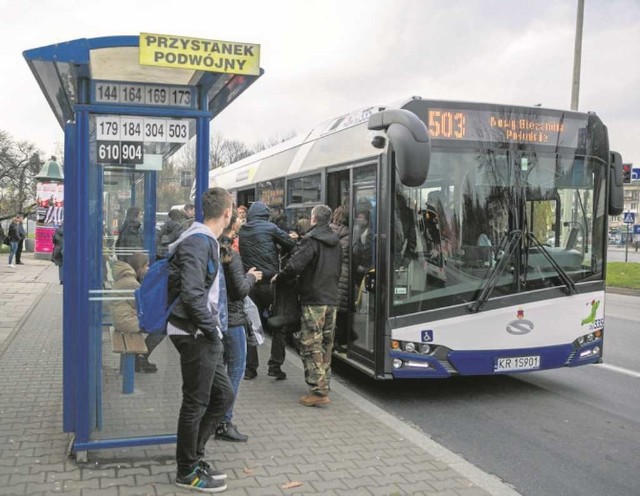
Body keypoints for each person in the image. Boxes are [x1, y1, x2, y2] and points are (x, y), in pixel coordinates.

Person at [166, 187, 234, 493]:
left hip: (200, 333)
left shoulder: (205, 241)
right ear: (227, 213)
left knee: (223, 396)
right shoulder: (197, 242)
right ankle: (186, 471)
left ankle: (195, 458)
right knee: (195, 402)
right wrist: (212, 331)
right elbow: (193, 295)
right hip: (194, 334)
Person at [271, 205, 341, 407]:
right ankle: (324, 383)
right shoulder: (335, 241)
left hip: (314, 299)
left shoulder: (311, 240)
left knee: (310, 344)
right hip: (331, 299)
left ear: (313, 218)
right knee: (326, 344)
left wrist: (281, 276)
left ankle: (318, 392)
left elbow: (294, 265)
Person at [215, 210, 262, 442]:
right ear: (232, 226)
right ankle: (224, 421)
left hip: (217, 321)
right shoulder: (231, 255)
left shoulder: (211, 248)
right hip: (233, 321)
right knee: (234, 371)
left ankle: (216, 418)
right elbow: (239, 290)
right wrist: (252, 277)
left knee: (221, 371)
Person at [238, 201, 297, 380]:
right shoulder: (271, 228)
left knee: (250, 325)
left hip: (250, 283)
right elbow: (290, 244)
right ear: (265, 215)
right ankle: (275, 366)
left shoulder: (243, 229)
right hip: (270, 284)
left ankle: (250, 369)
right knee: (278, 324)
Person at [110, 253, 164, 373]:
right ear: (139, 267)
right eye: (146, 266)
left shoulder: (126, 278)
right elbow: (141, 306)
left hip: (122, 319)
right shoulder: (131, 282)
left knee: (158, 325)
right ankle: (141, 357)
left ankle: (140, 357)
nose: (148, 269)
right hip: (126, 322)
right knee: (161, 328)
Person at [329, 206, 350, 351]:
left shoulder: (328, 230)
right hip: (344, 272)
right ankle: (337, 340)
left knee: (335, 307)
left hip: (331, 273)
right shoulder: (348, 234)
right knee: (342, 309)